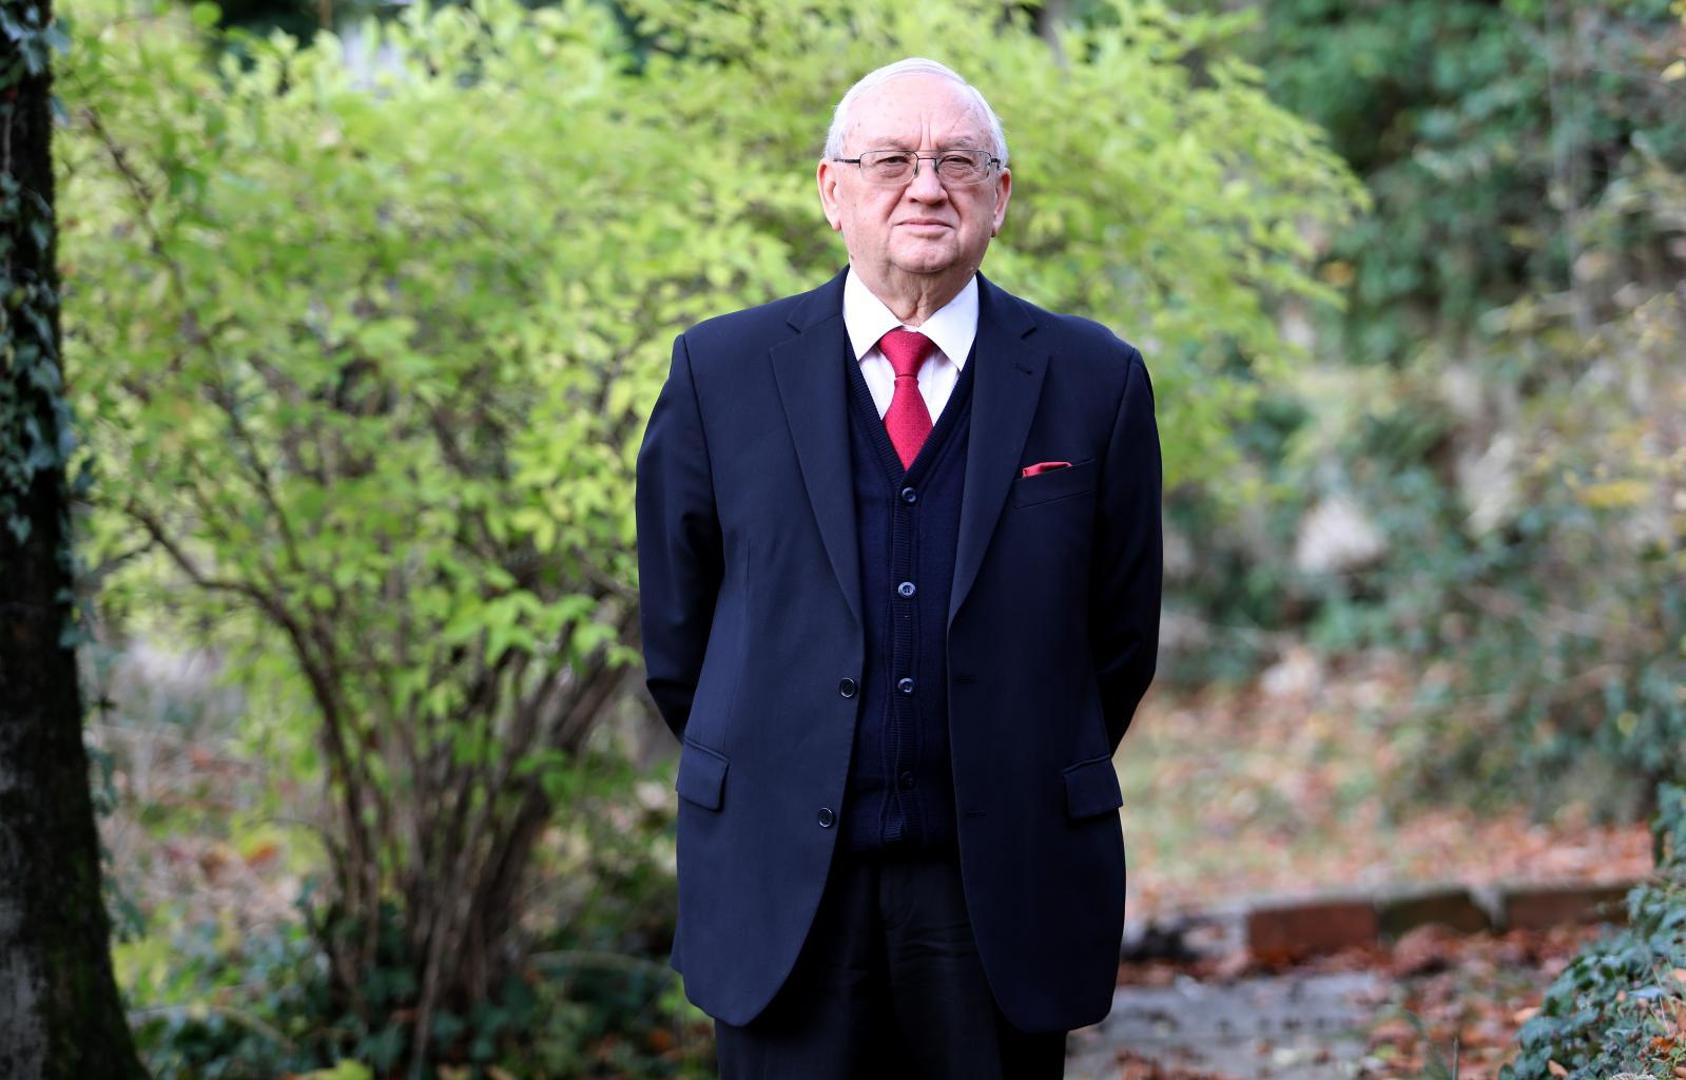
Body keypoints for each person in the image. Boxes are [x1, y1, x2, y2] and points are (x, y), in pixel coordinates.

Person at [634, 56, 1162, 1079]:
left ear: (999, 197)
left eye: (958, 162)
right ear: (832, 191)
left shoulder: (1096, 381)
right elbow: (678, 636)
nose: (926, 187)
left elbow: (1120, 639)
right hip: (781, 887)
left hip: (1001, 886)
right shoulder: (719, 373)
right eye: (890, 162)